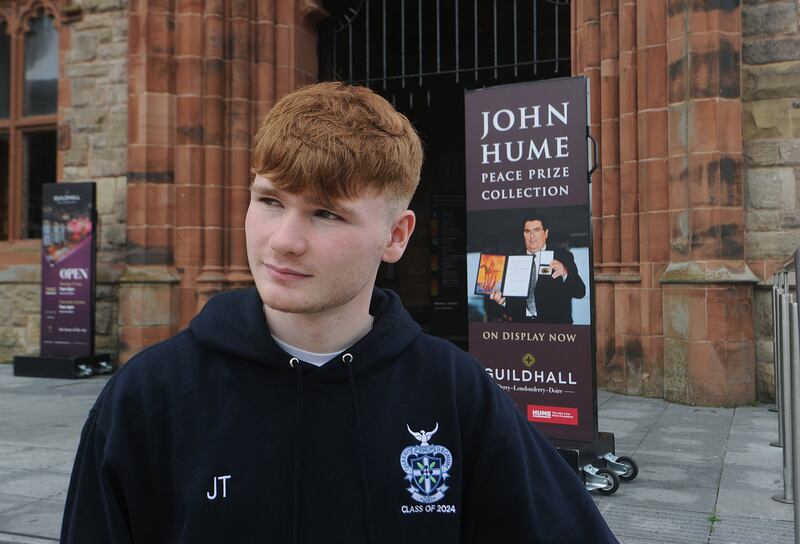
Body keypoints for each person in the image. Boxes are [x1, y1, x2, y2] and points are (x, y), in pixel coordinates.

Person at [61, 82, 618, 543]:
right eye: (270, 200)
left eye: (326, 214)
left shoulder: (454, 392)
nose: (283, 241)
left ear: (396, 236)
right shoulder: (150, 396)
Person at [489, 216, 586, 324]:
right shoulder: (513, 260)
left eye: (536, 230)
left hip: (555, 330)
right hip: (521, 329)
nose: (532, 236)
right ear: (523, 234)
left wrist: (564, 274)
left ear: (546, 233)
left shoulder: (563, 256)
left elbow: (580, 292)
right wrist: (503, 302)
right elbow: (513, 302)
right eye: (527, 231)